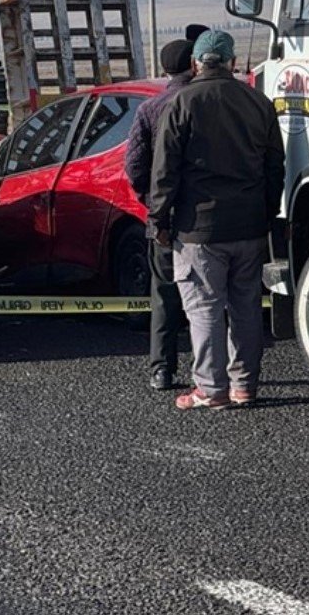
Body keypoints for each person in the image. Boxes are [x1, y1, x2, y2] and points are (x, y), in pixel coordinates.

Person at [150, 29, 284, 410]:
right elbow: (276, 164)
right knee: (245, 307)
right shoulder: (258, 102)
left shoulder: (182, 103)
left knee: (205, 307)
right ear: (233, 62)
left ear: (195, 64)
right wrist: (268, 210)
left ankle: (211, 389)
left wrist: (157, 218)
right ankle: (245, 386)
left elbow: (165, 171)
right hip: (250, 224)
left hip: (198, 228)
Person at [124, 37, 197, 391]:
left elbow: (134, 166)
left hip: (165, 218)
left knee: (164, 295)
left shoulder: (150, 109)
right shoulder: (204, 103)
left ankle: (162, 370)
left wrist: (151, 202)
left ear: (166, 69)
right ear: (193, 65)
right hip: (207, 217)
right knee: (214, 297)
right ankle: (214, 369)